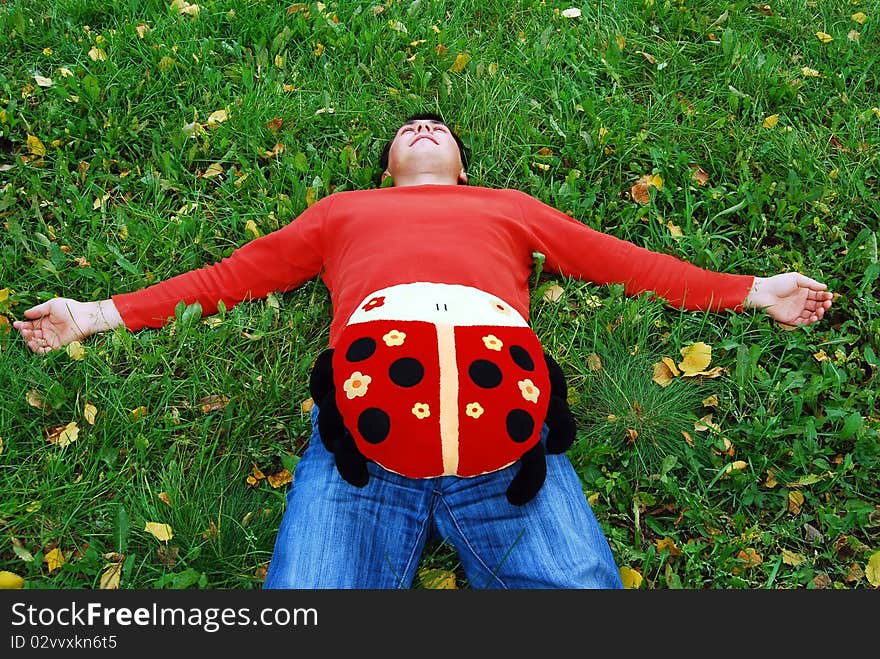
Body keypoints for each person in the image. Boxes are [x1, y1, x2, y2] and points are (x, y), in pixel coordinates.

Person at [13, 113, 833, 589]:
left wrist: (755, 288)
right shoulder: (343, 210)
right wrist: (95, 312)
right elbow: (236, 275)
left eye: (438, 126)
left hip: (516, 448)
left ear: (464, 163)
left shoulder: (507, 206)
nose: (424, 123)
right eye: (409, 127)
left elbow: (618, 259)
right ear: (387, 165)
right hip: (359, 445)